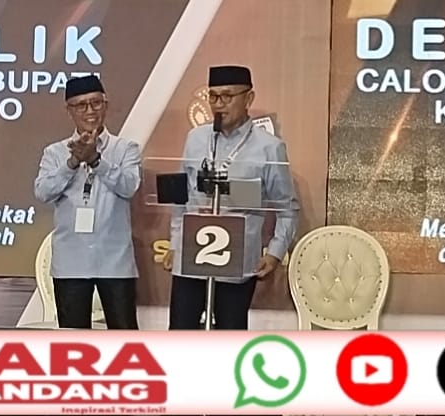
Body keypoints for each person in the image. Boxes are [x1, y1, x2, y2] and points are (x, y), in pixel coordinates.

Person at [163, 65, 299, 330]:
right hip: (192, 255)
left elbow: (287, 207)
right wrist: (176, 241)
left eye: (227, 96)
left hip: (237, 260)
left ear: (248, 98)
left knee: (231, 334)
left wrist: (275, 252)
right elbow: (183, 196)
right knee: (180, 333)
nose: (218, 104)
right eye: (213, 96)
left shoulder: (269, 147)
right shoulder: (196, 138)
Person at [34, 75, 142, 329]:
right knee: (73, 339)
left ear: (106, 104)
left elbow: (129, 187)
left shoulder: (126, 149)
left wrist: (96, 160)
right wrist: (72, 163)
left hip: (115, 262)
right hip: (71, 261)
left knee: (125, 339)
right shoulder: (55, 152)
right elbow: (43, 192)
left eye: (95, 103)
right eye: (81, 105)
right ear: (69, 110)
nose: (90, 111)